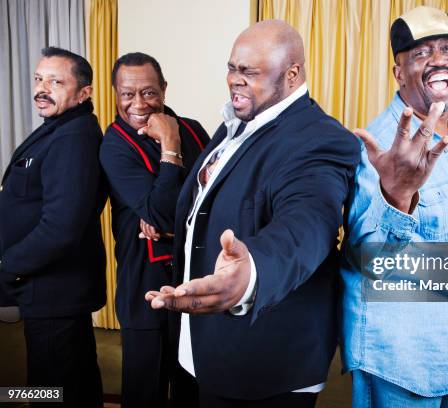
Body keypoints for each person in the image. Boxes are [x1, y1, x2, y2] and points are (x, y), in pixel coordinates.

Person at [145, 19, 360, 407]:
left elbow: (305, 226)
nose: (234, 80)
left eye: (249, 71)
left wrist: (252, 273)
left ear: (292, 74)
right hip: (204, 348)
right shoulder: (239, 123)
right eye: (232, 67)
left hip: (262, 366)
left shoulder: (320, 139)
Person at [340, 6, 448, 407]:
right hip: (402, 356)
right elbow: (366, 256)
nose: (440, 58)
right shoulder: (382, 146)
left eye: (447, 48)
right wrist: (398, 198)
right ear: (399, 73)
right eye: (422, 53)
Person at [99, 52, 209, 408]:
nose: (138, 104)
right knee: (145, 391)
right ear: (115, 94)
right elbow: (162, 214)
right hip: (143, 282)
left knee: (191, 385)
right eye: (127, 94)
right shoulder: (114, 145)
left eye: (148, 92)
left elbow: (215, 204)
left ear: (163, 88)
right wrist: (171, 149)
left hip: (194, 277)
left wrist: (176, 227)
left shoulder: (193, 128)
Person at [0, 46, 106, 407]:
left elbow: (61, 227)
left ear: (83, 92)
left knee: (52, 391)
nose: (42, 88)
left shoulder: (73, 137)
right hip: (47, 289)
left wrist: (8, 267)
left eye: (56, 81)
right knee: (69, 386)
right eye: (38, 78)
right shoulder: (58, 127)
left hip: (53, 290)